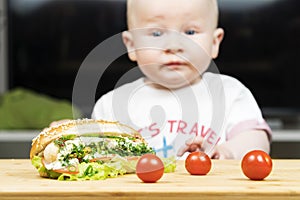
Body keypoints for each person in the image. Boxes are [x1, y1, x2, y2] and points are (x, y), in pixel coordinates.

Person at [91, 0, 272, 160]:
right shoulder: (111, 105)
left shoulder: (229, 93)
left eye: (190, 31)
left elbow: (255, 140)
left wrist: (226, 152)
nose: (174, 46)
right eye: (156, 34)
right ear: (131, 45)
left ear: (214, 43)